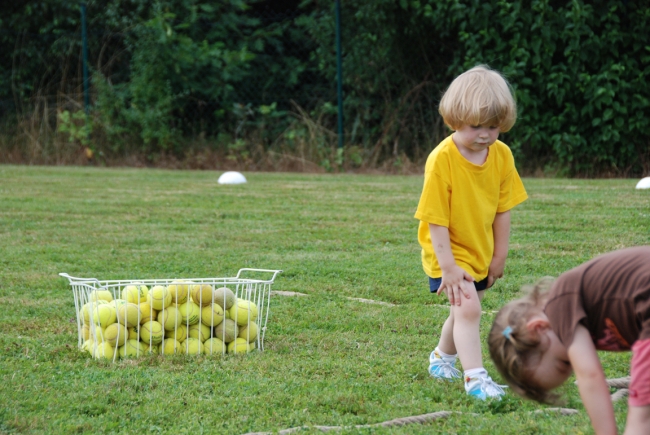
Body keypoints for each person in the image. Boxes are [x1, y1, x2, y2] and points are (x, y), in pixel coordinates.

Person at [414, 65, 528, 400]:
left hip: (479, 249)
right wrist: (447, 267)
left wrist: (498, 256)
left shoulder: (502, 156)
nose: (485, 134)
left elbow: (502, 210)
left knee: (464, 307)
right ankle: (475, 379)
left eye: (493, 126)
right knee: (469, 310)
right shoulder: (442, 160)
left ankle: (441, 359)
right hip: (447, 250)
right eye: (476, 126)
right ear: (454, 120)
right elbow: (434, 218)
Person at [488, 246, 650, 435]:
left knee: (641, 417)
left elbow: (590, 376)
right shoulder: (577, 310)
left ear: (538, 328)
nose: (577, 363)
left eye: (565, 362)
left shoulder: (560, 306)